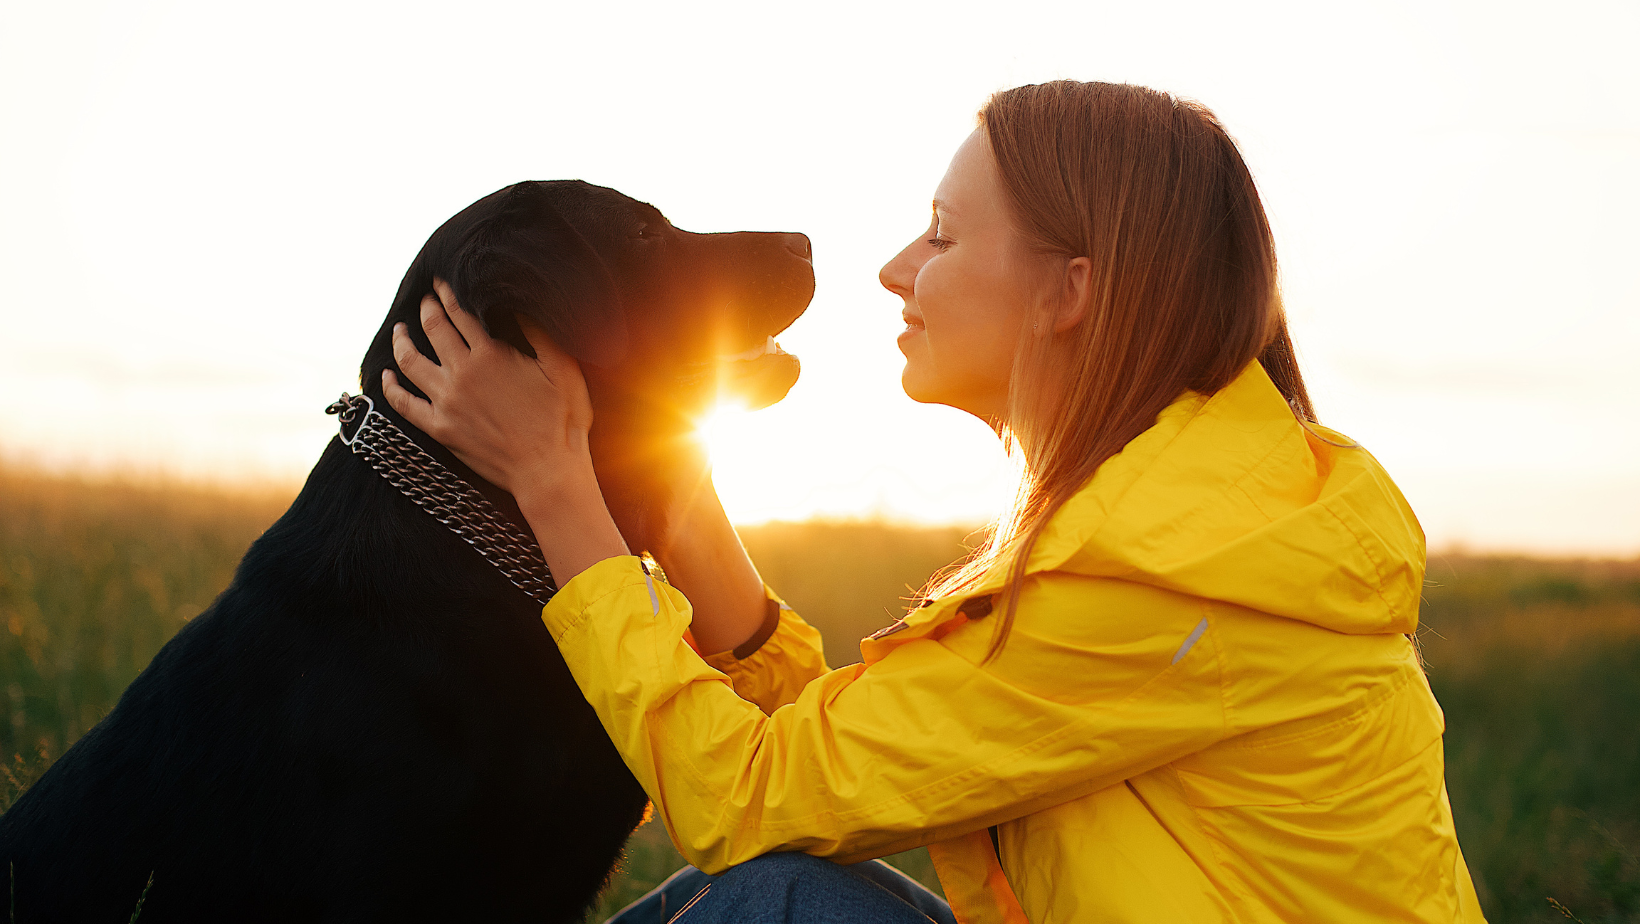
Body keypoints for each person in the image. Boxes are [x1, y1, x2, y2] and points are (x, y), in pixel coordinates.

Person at [381, 81, 1488, 923]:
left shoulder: (1152, 577)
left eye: (945, 235)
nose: (894, 269)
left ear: (1070, 292)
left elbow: (743, 797)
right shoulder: (1192, 521)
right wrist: (682, 515)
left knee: (780, 904)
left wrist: (554, 482)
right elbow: (843, 766)